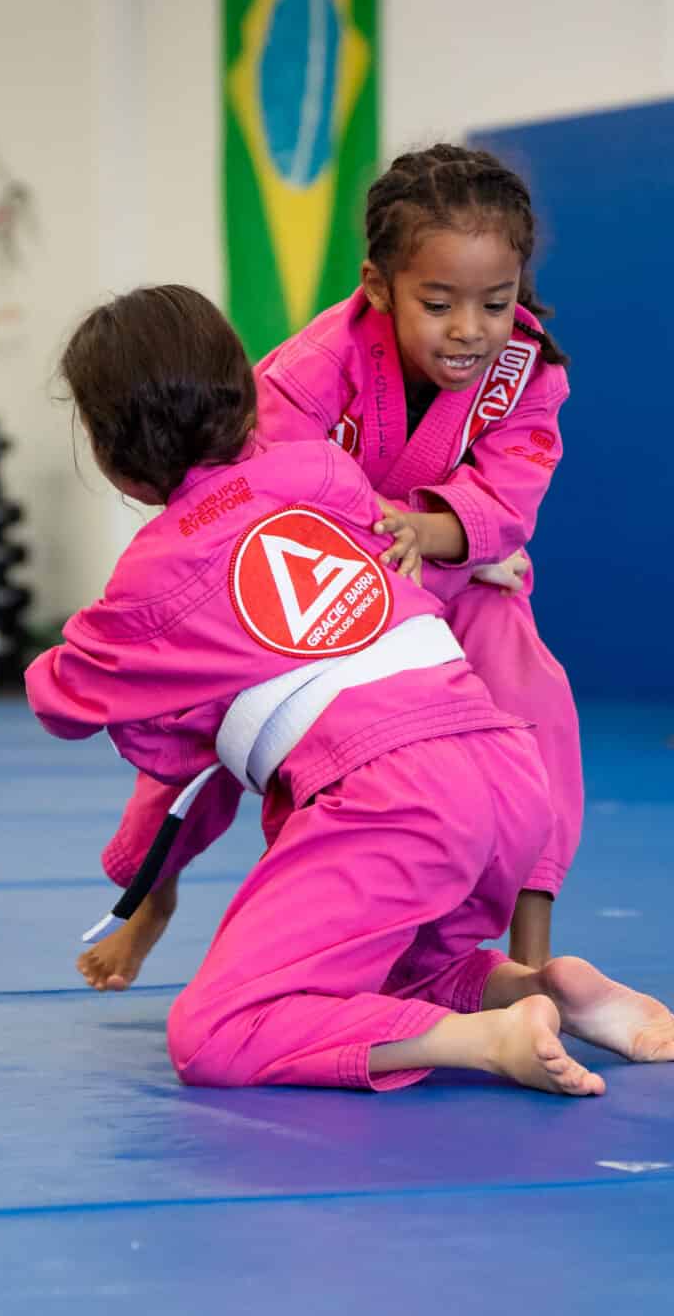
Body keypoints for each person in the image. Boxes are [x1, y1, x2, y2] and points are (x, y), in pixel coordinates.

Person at [29, 285, 674, 1094]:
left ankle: (482, 1037)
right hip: (506, 780)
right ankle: (531, 986)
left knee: (215, 1033)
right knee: (379, 967)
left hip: (396, 801)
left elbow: (59, 702)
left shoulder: (149, 585)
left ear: (111, 456)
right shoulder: (323, 472)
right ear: (244, 399)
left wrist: (100, 641)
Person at [83, 144, 579, 995]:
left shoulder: (525, 372)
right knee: (199, 723)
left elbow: (511, 492)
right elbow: (256, 495)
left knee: (536, 704)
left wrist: (435, 531)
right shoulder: (316, 364)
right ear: (379, 288)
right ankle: (150, 896)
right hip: (321, 593)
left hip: (449, 578)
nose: (470, 329)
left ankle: (533, 957)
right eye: (439, 303)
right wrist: (362, 538)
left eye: (495, 303)